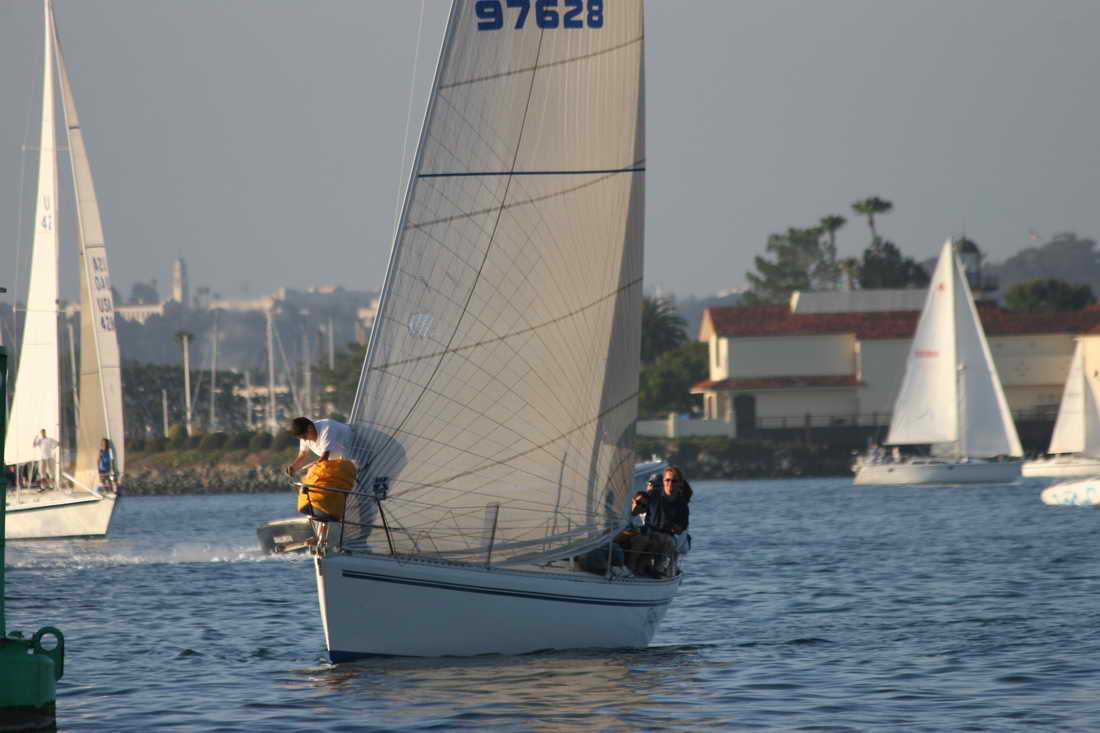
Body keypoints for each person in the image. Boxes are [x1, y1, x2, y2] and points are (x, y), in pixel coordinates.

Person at [625, 465, 691, 577]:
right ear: (663, 481)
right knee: (645, 540)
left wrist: (671, 526)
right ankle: (631, 568)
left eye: (674, 481)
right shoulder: (653, 494)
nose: (670, 483)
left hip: (667, 535)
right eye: (667, 480)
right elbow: (637, 506)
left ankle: (657, 570)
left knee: (666, 541)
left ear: (680, 483)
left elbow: (681, 529)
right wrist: (635, 504)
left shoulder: (682, 505)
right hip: (649, 530)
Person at [284, 417, 353, 477]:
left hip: (354, 451)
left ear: (310, 428)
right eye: (302, 439)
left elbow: (324, 457)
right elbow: (302, 456)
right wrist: (293, 467)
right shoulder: (305, 437)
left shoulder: (326, 428)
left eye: (304, 437)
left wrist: (312, 468)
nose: (304, 440)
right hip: (343, 461)